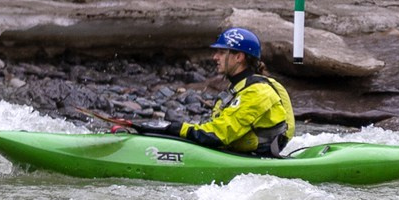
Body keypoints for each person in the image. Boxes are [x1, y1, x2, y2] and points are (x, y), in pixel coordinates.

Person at [125, 26, 294, 156]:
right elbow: (216, 128)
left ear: (239, 57)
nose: (215, 57)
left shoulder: (258, 92)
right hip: (238, 151)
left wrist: (176, 129)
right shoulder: (237, 88)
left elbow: (218, 135)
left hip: (258, 156)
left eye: (221, 52)